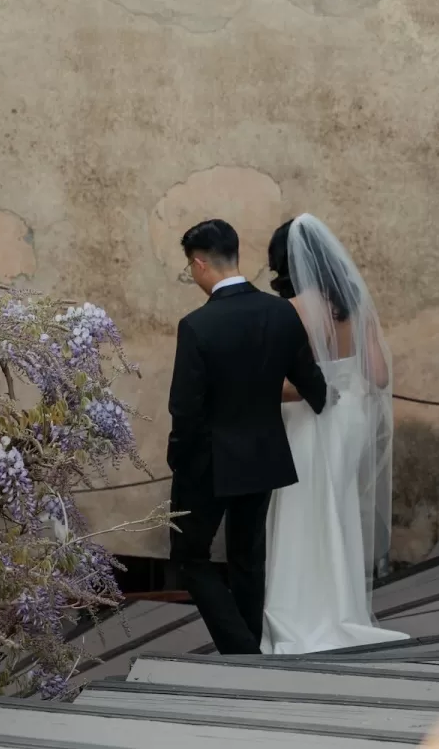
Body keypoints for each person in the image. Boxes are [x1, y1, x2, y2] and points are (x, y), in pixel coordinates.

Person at [166, 219, 330, 655]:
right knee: (246, 559)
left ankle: (242, 651)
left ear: (200, 265)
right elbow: (313, 385)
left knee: (189, 558)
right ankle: (248, 647)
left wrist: (178, 461)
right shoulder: (280, 313)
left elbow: (185, 409)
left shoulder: (197, 326)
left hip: (207, 463)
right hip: (263, 455)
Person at [261, 214, 409, 654]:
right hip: (349, 420)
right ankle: (343, 610)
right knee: (337, 512)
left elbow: (280, 384)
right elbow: (378, 376)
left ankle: (298, 612)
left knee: (300, 514)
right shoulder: (355, 304)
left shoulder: (289, 310)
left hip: (309, 418)